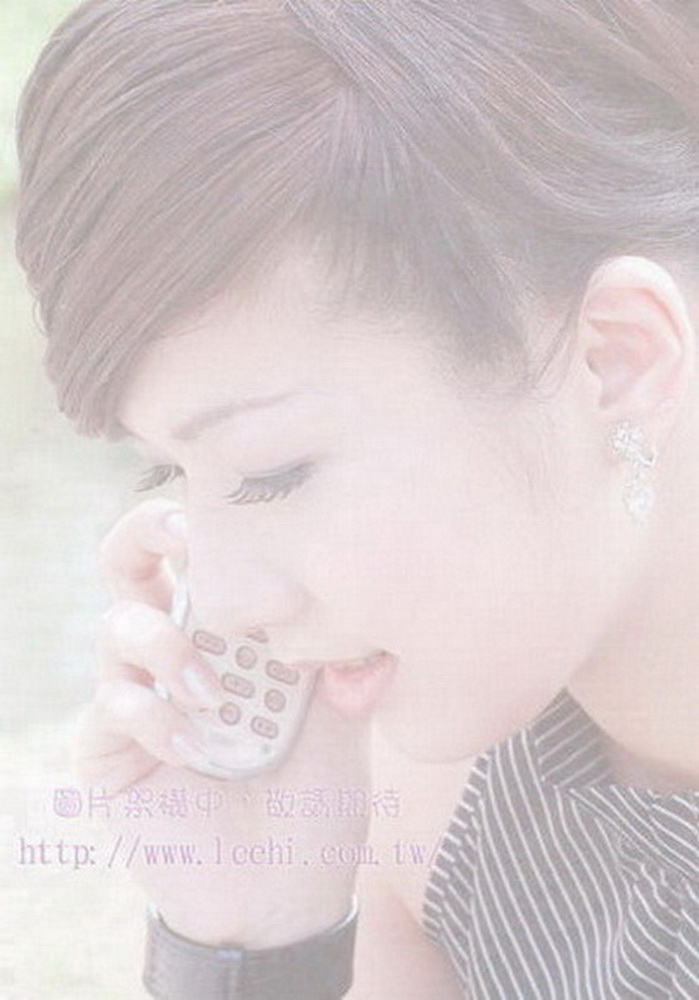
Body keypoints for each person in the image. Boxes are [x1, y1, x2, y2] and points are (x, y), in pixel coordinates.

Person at [14, 0, 699, 996]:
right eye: (166, 472)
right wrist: (256, 937)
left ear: (616, 357)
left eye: (272, 472)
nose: (228, 600)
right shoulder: (433, 802)